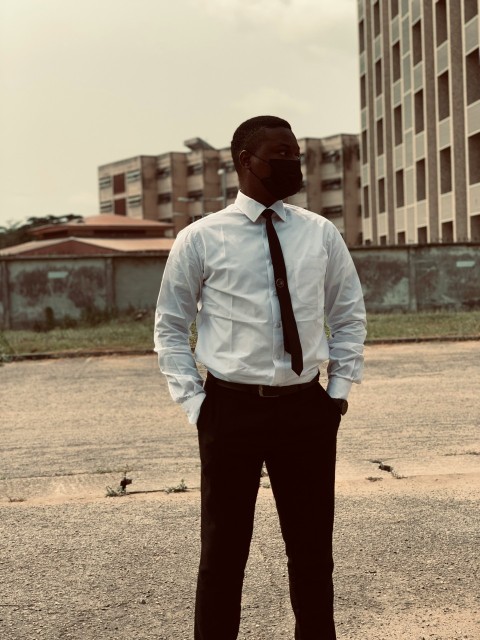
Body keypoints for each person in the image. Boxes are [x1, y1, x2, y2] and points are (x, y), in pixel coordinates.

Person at [154, 115, 367, 640]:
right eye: (280, 153)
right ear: (246, 161)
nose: (293, 162)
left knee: (313, 553)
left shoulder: (320, 233)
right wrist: (196, 405)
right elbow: (170, 324)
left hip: (305, 410)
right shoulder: (200, 239)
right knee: (222, 556)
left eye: (296, 153)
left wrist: (336, 394)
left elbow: (348, 314)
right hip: (230, 410)